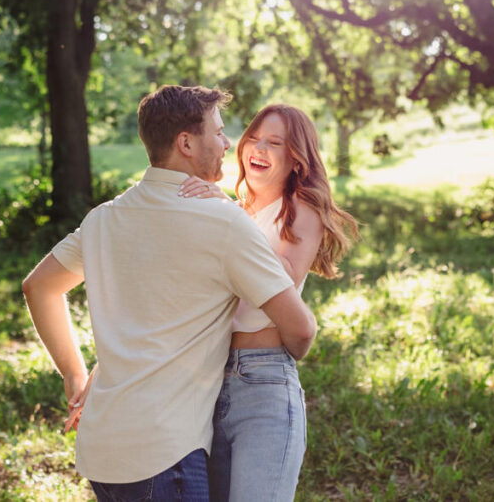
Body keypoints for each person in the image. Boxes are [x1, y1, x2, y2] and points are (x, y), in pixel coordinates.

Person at [21, 86, 317, 502]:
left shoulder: (104, 218)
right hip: (165, 452)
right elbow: (301, 329)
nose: (227, 142)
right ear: (186, 143)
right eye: (217, 132)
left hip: (101, 449)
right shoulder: (223, 221)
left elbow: (38, 287)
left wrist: (74, 375)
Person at [179, 104, 358, 502]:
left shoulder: (301, 211)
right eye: (254, 139)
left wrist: (222, 211)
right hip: (209, 378)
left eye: (274, 143)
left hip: (264, 379)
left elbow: (280, 281)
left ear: (296, 160)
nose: (258, 149)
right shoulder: (237, 212)